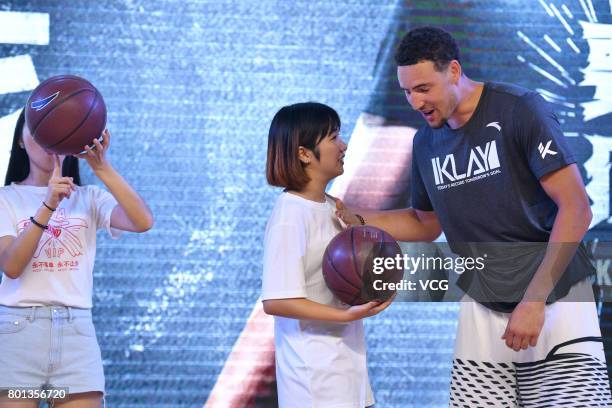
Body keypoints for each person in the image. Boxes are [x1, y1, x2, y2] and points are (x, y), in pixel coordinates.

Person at [336, 27, 611, 406]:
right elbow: (425, 223)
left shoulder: (518, 109)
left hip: (553, 298)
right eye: (406, 91)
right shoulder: (426, 143)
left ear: (453, 71)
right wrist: (354, 217)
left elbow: (577, 208)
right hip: (483, 300)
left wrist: (533, 301)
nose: (415, 102)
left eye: (423, 88)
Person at [0, 109, 154, 408]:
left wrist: (103, 168)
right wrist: (47, 204)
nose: (50, 137)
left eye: (60, 129)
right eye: (41, 129)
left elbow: (142, 221)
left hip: (76, 334)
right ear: (20, 139)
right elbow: (11, 265)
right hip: (19, 334)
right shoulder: (6, 199)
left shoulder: (90, 198)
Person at [261, 102, 393, 407]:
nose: (343, 145)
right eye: (333, 138)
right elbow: (277, 300)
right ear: (304, 153)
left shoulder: (333, 207)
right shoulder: (290, 215)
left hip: (347, 372)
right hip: (315, 383)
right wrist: (345, 316)